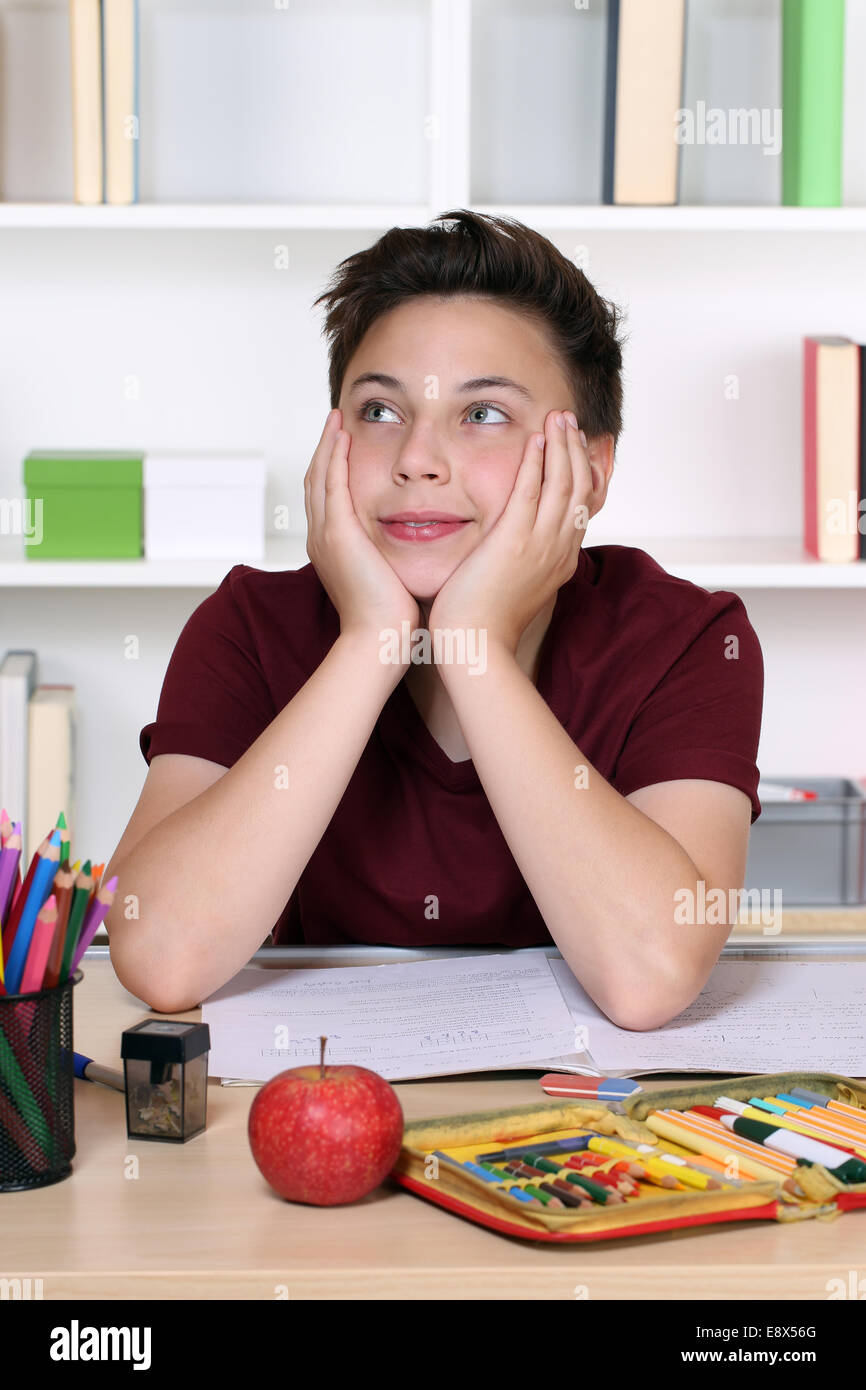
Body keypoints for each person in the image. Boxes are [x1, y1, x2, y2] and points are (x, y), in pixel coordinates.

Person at [104, 210, 764, 1027]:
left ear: (591, 468)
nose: (417, 458)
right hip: (321, 1079)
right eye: (380, 411)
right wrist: (370, 641)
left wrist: (472, 648)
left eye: (483, 413)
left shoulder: (690, 638)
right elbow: (159, 957)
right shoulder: (247, 625)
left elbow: (649, 978)